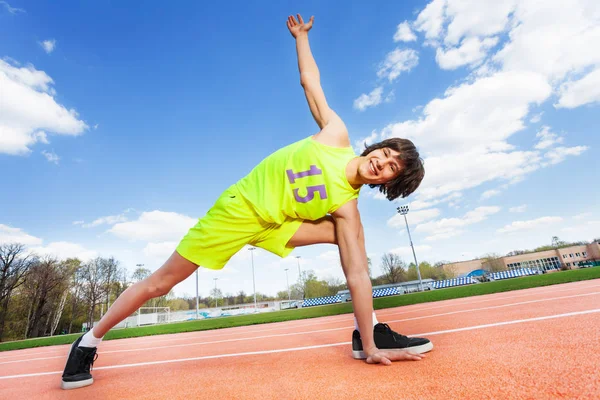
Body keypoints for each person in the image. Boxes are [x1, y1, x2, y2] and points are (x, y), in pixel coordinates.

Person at [60, 14, 432, 390]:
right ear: (377, 147)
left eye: (390, 169)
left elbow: (356, 274)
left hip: (277, 226)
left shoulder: (347, 207)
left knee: (350, 235)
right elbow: (310, 82)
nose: (381, 164)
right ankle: (88, 341)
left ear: (389, 183)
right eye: (385, 154)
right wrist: (301, 38)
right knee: (161, 283)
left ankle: (367, 334)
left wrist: (370, 349)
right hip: (240, 210)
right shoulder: (335, 136)